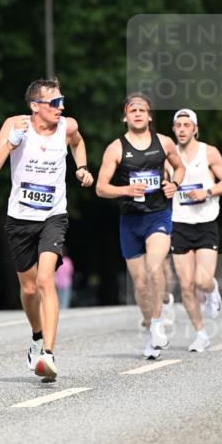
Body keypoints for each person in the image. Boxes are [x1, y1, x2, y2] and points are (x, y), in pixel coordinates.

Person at [0, 78, 94, 383]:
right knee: (29, 289)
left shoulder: (67, 126)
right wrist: (9, 143)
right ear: (35, 106)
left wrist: (81, 167)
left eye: (62, 101)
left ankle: (49, 353)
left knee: (46, 281)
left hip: (53, 216)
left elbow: (78, 142)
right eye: (55, 103)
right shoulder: (15, 125)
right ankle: (36, 335)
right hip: (19, 218)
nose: (61, 107)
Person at [96, 93, 184, 360]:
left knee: (154, 267)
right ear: (125, 116)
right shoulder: (116, 148)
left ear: (150, 116)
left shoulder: (164, 143)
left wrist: (174, 185)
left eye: (142, 110)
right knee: (141, 283)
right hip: (130, 220)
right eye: (132, 110)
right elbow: (101, 188)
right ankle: (151, 328)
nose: (137, 114)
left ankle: (157, 323)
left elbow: (179, 168)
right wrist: (126, 189)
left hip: (158, 215)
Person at [169, 108, 222, 352]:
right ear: (174, 129)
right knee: (186, 286)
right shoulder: (169, 154)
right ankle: (200, 333)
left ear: (195, 128)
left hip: (206, 223)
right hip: (179, 223)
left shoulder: (209, 152)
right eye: (178, 125)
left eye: (187, 125)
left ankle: (212, 289)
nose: (183, 129)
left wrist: (206, 192)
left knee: (201, 280)